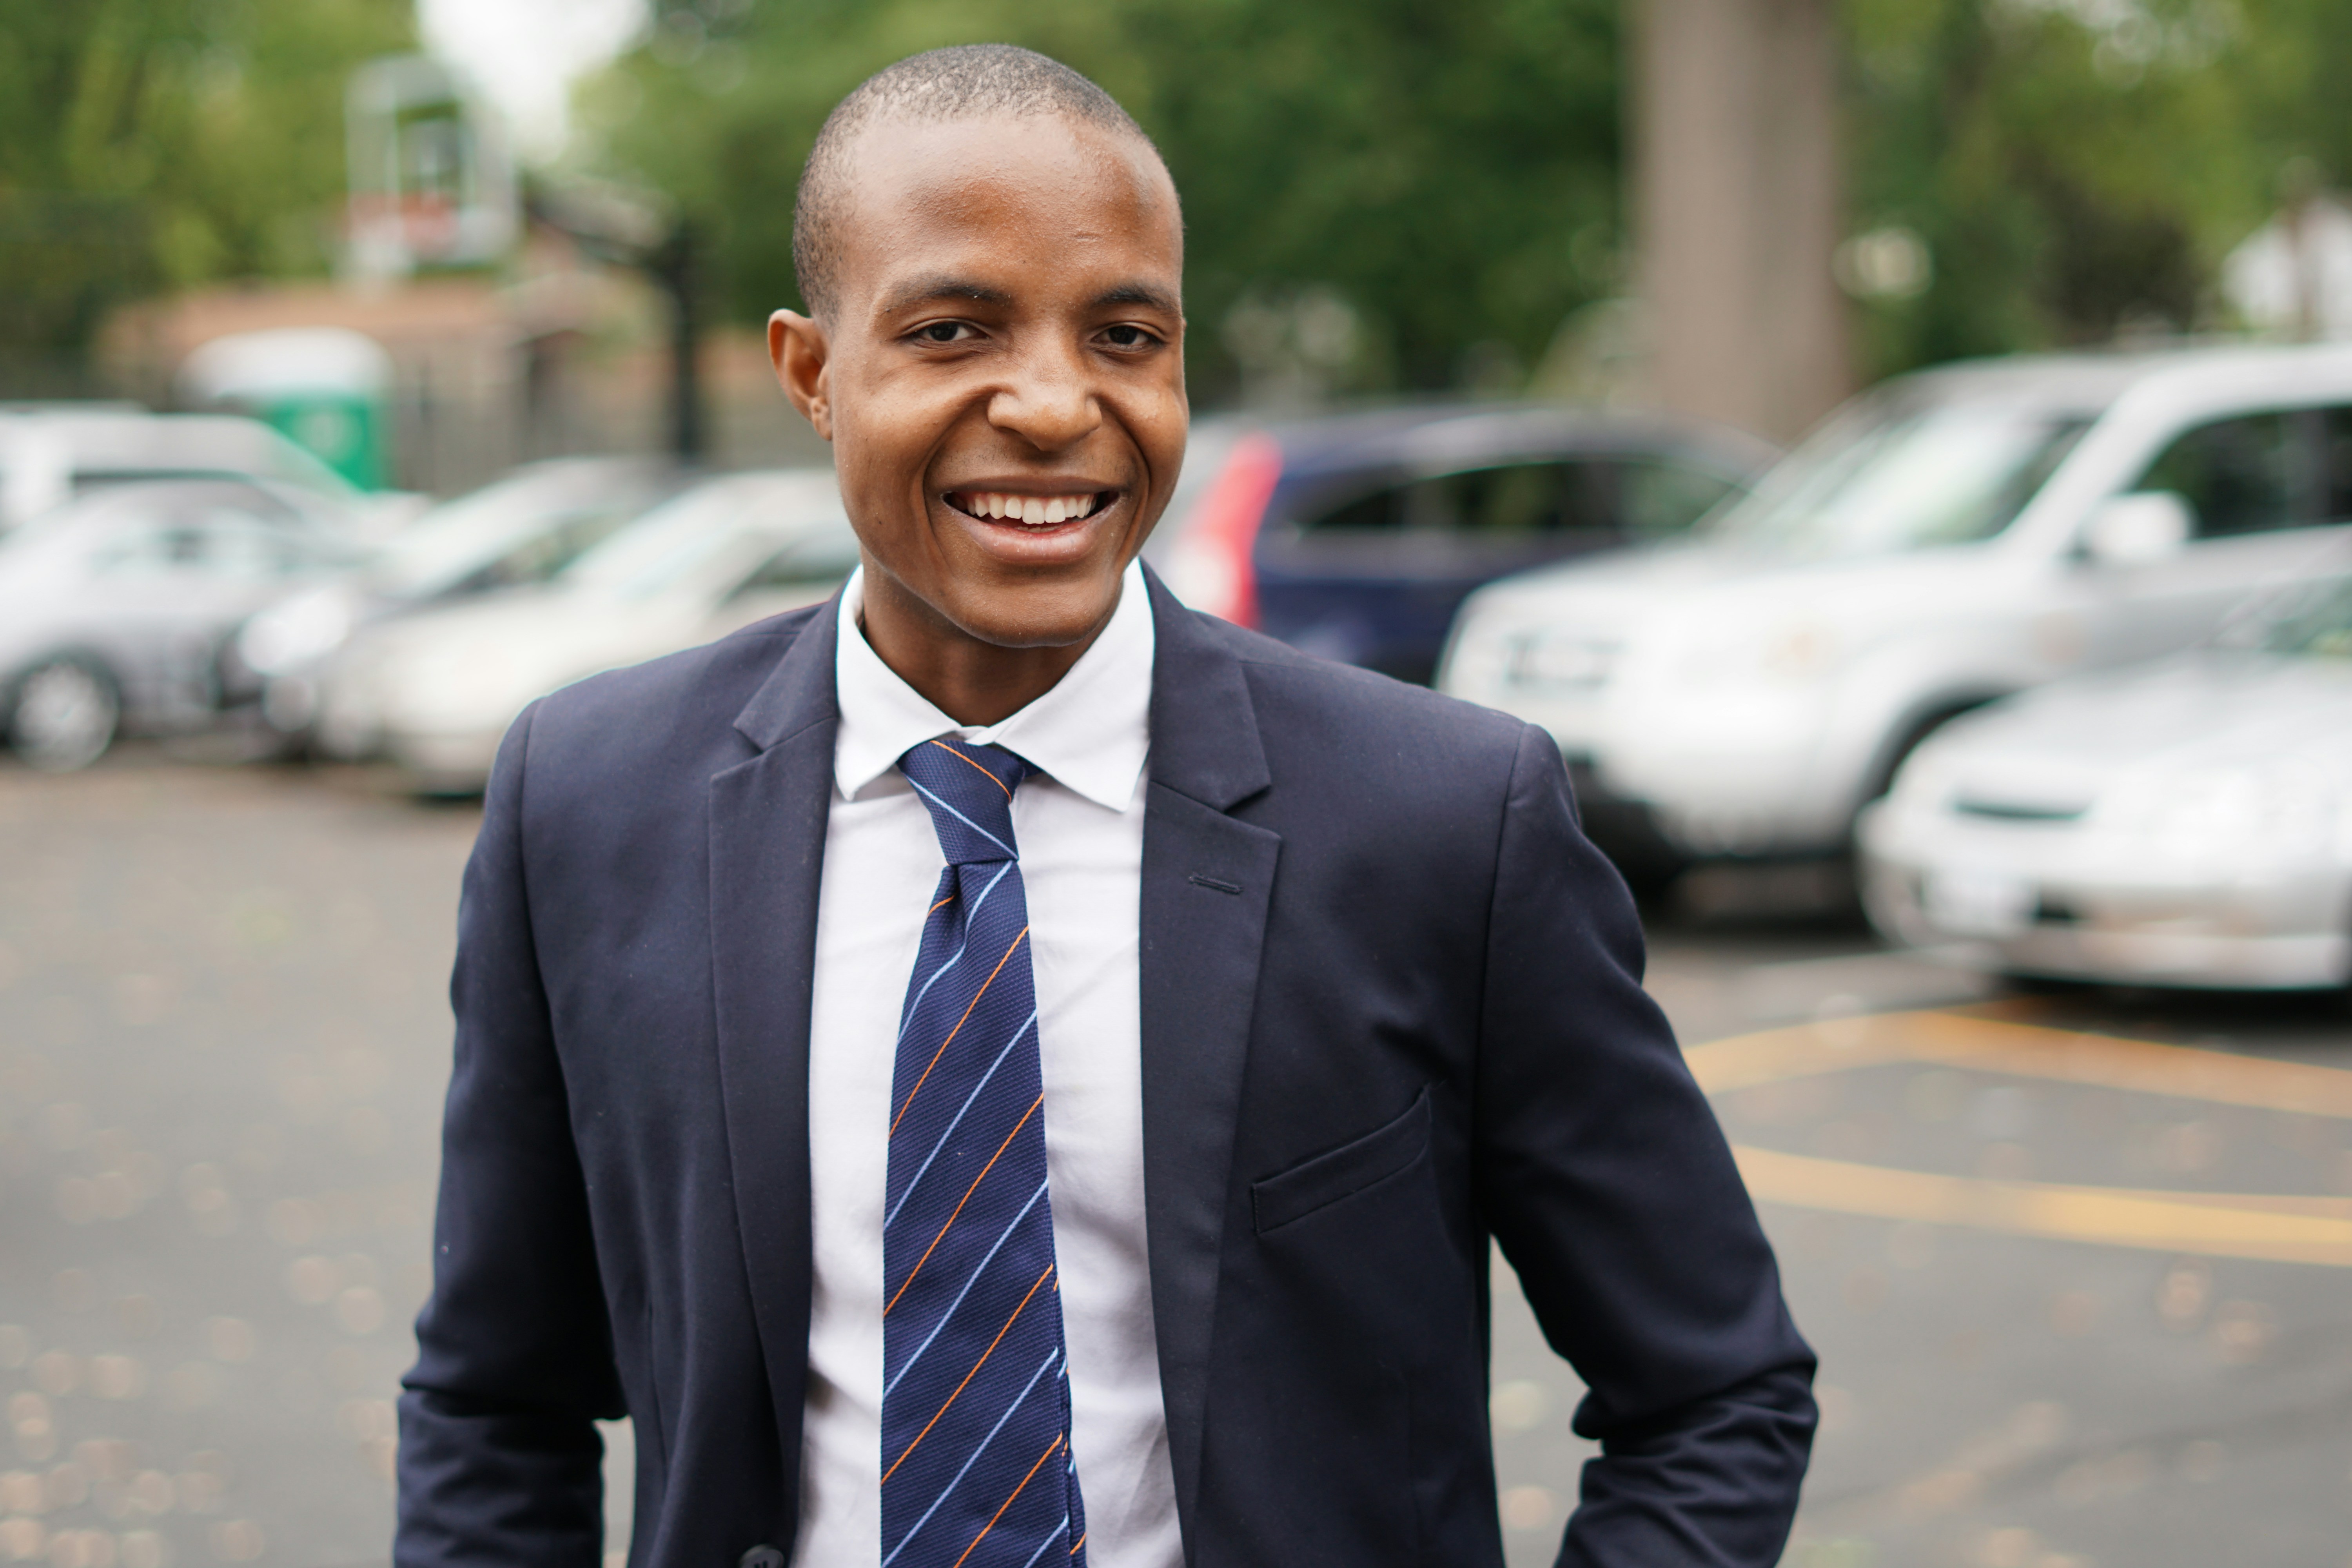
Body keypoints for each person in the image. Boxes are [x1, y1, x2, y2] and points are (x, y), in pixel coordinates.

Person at [396, 43, 1815, 1568]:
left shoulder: (1447, 826)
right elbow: (499, 1403)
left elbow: (1713, 1389)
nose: (1059, 404)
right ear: (812, 373)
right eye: (955, 330)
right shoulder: (592, 805)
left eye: (1125, 334)